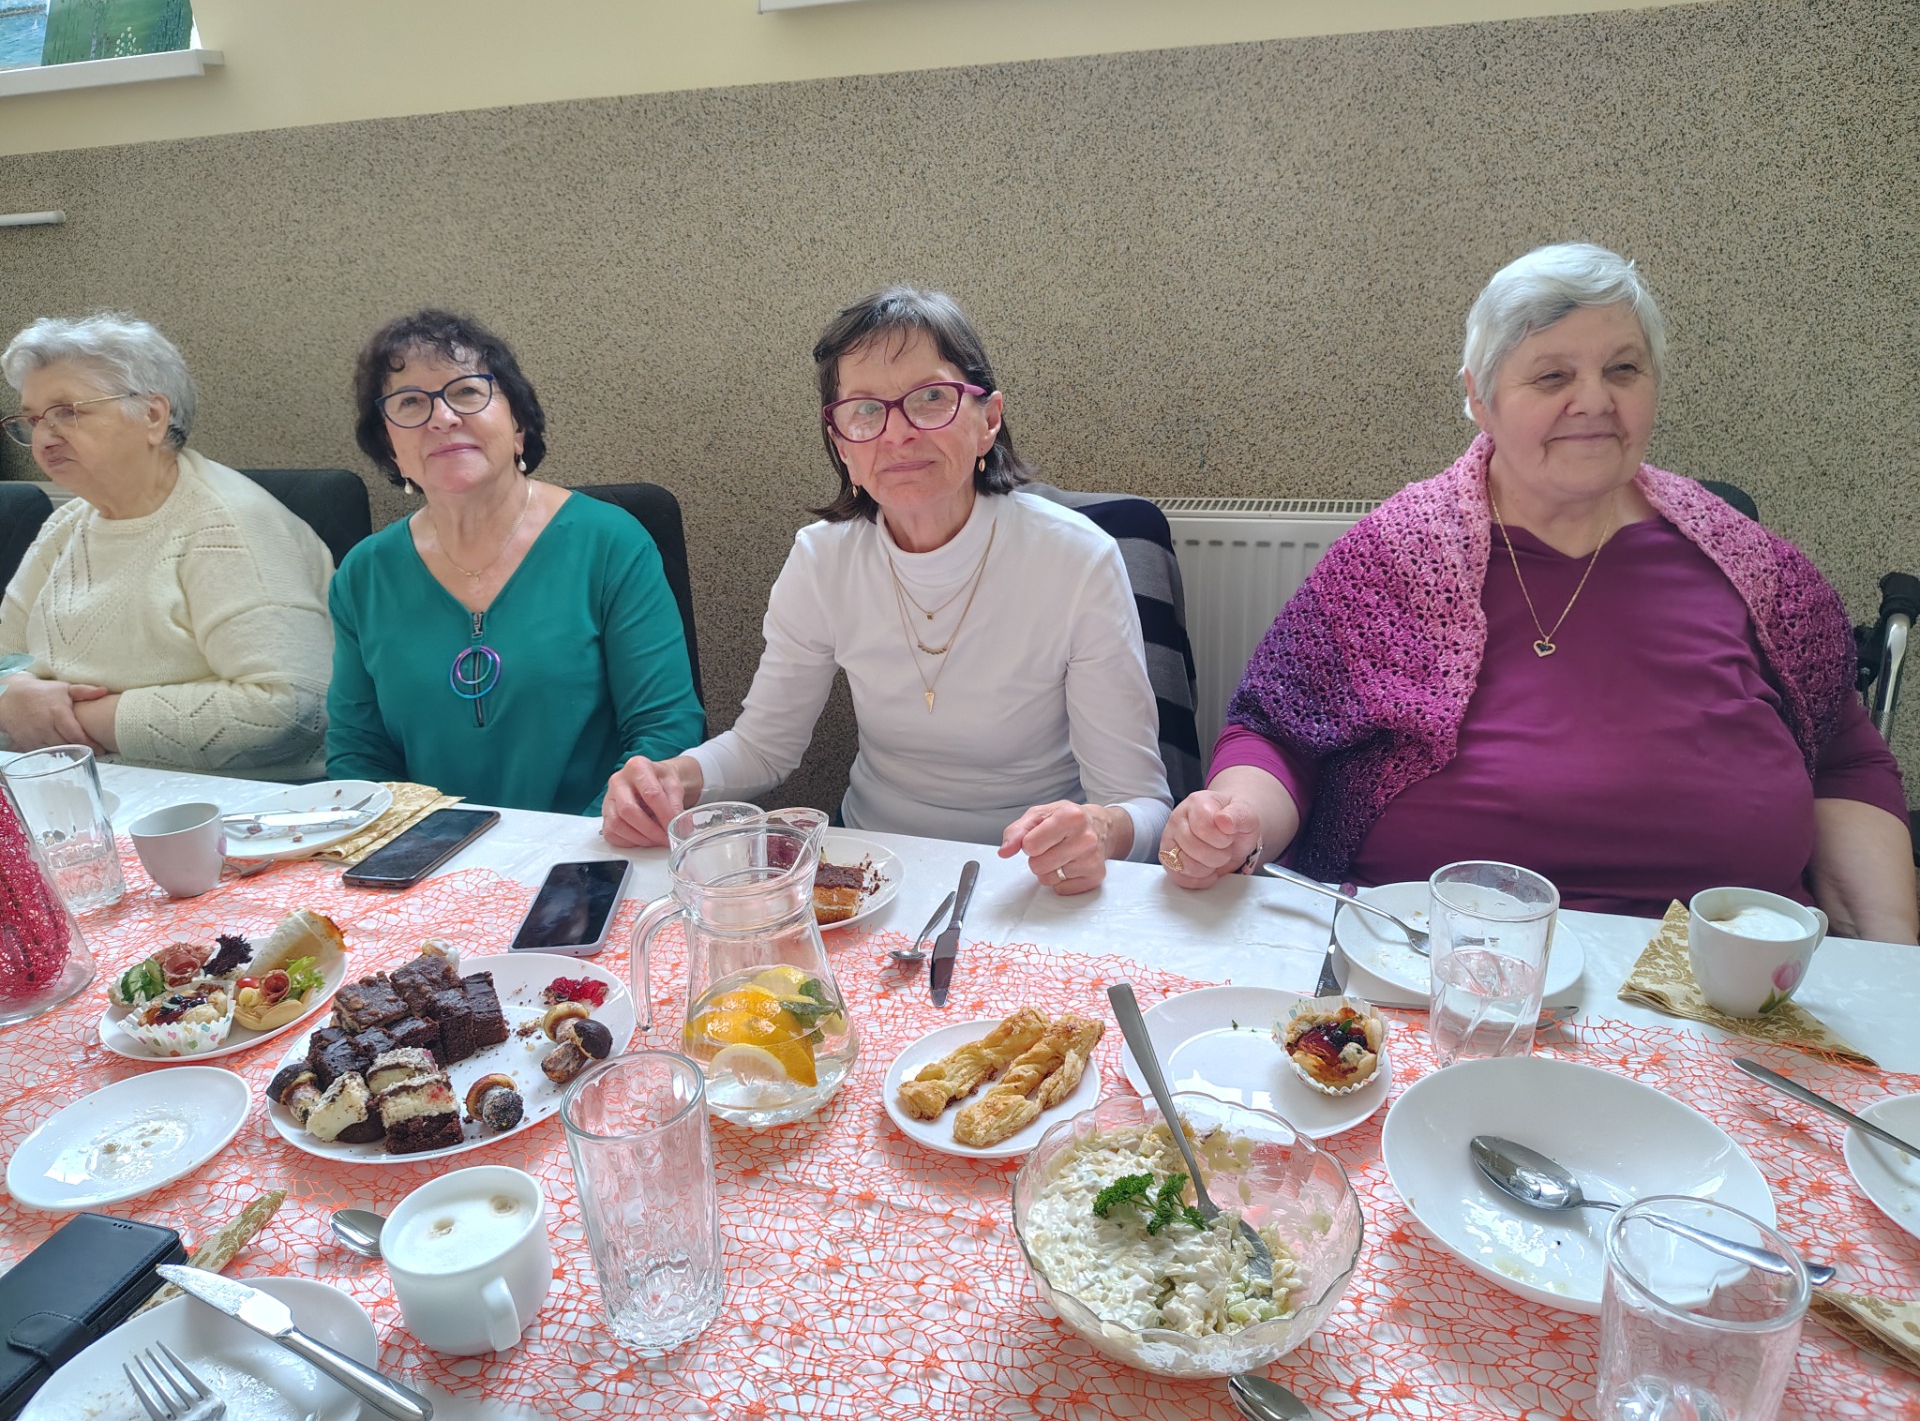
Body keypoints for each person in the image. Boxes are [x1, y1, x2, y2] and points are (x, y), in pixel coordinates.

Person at [1160, 243, 1916, 943]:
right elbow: (1280, 731)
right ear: (1480, 399)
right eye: (1553, 376)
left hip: (1723, 994)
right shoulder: (1393, 558)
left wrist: (1894, 980)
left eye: (1623, 369)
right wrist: (1238, 819)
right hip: (1433, 972)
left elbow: (1843, 762)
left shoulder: (1754, 568)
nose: (1594, 400)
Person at [602, 286, 1171, 892]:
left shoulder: (1076, 559)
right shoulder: (822, 560)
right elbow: (764, 747)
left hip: (1030, 872)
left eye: (931, 399)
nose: (897, 434)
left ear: (988, 421)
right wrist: (670, 778)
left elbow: (1141, 803)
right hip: (872, 868)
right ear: (841, 445)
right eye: (865, 410)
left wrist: (1099, 830)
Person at [326, 310, 703, 815]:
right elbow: (358, 756)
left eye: (466, 391)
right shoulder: (363, 575)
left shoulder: (610, 543)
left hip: (589, 844)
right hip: (426, 852)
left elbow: (664, 730)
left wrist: (586, 840)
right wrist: (413, 848)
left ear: (518, 424)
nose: (442, 417)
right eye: (410, 402)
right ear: (391, 449)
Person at [0, 313, 333, 779]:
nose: (43, 436)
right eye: (32, 419)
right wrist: (11, 697)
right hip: (77, 790)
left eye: (66, 412)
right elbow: (5, 659)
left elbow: (289, 708)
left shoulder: (229, 526)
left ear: (153, 416)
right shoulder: (66, 525)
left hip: (232, 804)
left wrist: (78, 722)